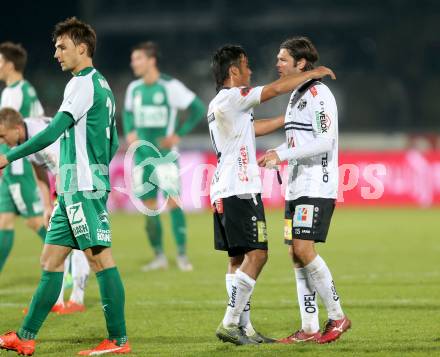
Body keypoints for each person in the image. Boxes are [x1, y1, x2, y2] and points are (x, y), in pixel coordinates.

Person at [0, 17, 130, 355]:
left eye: (62, 47)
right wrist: (96, 169)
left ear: (82, 48)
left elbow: (55, 129)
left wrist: (10, 155)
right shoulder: (102, 85)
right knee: (50, 259)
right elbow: (113, 138)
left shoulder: (82, 83)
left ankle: (118, 341)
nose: (56, 53)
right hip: (75, 186)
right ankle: (26, 336)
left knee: (100, 259)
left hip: (82, 187)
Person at [208, 44, 335, 345]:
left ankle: (245, 328)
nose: (251, 71)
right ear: (234, 71)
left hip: (222, 189)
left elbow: (253, 128)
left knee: (236, 259)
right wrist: (315, 73)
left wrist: (288, 121)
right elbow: (276, 89)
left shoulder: (218, 104)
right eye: (246, 66)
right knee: (258, 255)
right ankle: (229, 323)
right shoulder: (234, 96)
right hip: (240, 189)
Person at [258, 36, 351, 344]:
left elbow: (326, 141)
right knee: (296, 255)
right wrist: (279, 151)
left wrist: (281, 155)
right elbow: (301, 141)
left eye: (283, 59)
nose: (277, 64)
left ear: (301, 63)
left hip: (317, 184)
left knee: (303, 249)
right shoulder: (295, 94)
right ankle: (309, 328)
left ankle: (337, 317)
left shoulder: (318, 93)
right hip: (297, 187)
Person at [123, 41, 206, 272]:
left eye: (137, 59)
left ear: (151, 60)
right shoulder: (134, 88)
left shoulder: (170, 86)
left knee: (173, 204)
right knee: (149, 209)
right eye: (133, 59)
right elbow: (127, 113)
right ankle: (158, 256)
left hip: (165, 157)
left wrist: (178, 134)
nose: (134, 63)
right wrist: (129, 130)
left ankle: (181, 255)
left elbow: (198, 107)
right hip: (141, 157)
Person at [0, 107, 90, 314]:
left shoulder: (40, 136)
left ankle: (77, 298)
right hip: (66, 182)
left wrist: (60, 198)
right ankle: (56, 300)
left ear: (16, 128)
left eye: (3, 135)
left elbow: (63, 164)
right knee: (59, 240)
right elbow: (39, 170)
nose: (2, 142)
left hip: (79, 179)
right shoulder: (26, 139)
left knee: (78, 238)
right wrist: (47, 206)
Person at [0, 42, 48, 274]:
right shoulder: (22, 90)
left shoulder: (16, 92)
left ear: (9, 64)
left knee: (34, 220)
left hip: (16, 165)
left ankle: (66, 263)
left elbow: (8, 132)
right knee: (4, 221)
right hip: (11, 166)